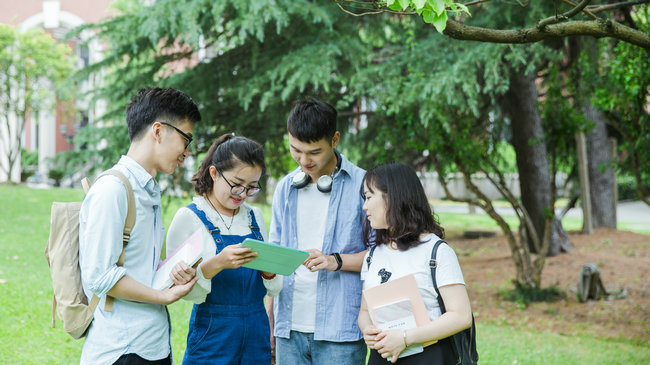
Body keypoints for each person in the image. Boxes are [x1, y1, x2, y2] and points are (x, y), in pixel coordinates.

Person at [79, 87, 202, 365]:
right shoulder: (113, 189)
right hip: (122, 349)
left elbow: (138, 266)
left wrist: (172, 273)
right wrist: (161, 295)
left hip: (153, 344)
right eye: (186, 139)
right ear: (158, 131)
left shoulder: (147, 188)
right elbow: (99, 276)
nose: (186, 152)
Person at [165, 133, 282, 364]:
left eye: (251, 188)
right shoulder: (189, 218)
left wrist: (270, 271)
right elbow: (182, 293)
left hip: (256, 330)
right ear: (214, 173)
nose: (243, 195)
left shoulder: (254, 216)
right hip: (213, 333)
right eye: (237, 185)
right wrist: (217, 263)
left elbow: (274, 288)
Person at [269, 99, 368, 365]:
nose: (303, 160)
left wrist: (335, 261)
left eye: (313, 152)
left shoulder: (365, 185)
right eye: (295, 150)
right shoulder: (285, 188)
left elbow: (383, 256)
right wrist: (270, 324)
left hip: (341, 331)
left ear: (335, 139)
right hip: (288, 328)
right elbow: (274, 262)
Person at [358, 162, 473, 364]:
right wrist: (368, 330)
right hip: (382, 356)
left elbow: (461, 315)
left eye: (369, 197)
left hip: (428, 357)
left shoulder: (436, 252)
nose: (365, 206)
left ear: (393, 197)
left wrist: (404, 338)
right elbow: (365, 311)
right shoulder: (373, 255)